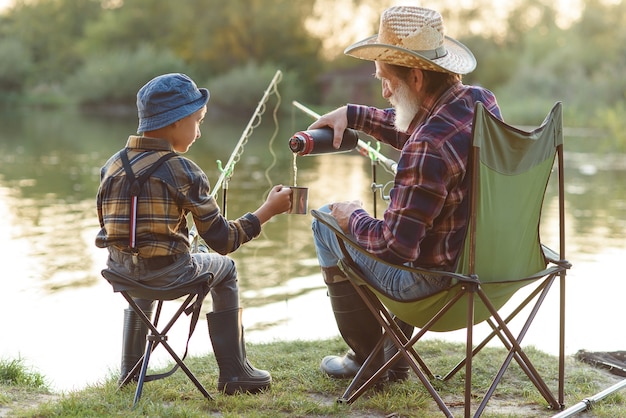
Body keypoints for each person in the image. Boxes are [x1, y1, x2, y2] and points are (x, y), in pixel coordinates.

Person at [309, 6, 502, 382]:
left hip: (434, 288)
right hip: (495, 273)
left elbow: (395, 249)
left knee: (326, 222)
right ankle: (388, 356)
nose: (383, 90)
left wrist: (353, 217)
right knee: (414, 220)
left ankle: (371, 359)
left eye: (386, 80)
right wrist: (354, 115)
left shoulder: (428, 146)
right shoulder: (481, 103)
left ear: (415, 77)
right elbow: (420, 127)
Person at [95, 73, 292, 395]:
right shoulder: (183, 170)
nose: (199, 131)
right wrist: (267, 210)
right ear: (175, 122)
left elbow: (116, 226)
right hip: (169, 276)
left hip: (121, 274)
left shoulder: (112, 165)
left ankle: (129, 371)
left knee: (144, 260)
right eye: (197, 121)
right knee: (225, 269)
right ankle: (235, 373)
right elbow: (223, 241)